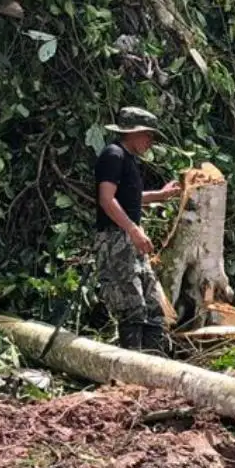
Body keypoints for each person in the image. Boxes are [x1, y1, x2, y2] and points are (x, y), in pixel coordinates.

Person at [95, 106, 181, 351]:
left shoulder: (128, 159)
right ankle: (131, 365)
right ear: (133, 132)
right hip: (115, 238)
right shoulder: (113, 155)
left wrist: (160, 195)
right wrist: (133, 230)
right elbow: (107, 199)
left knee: (153, 307)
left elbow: (129, 198)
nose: (150, 142)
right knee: (131, 307)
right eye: (148, 135)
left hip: (130, 238)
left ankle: (153, 362)